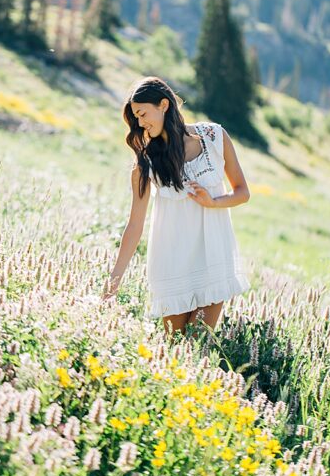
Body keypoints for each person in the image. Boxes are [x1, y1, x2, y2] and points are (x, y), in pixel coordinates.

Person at [102, 76, 251, 338]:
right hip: (172, 264)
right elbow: (135, 225)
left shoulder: (215, 136)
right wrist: (113, 283)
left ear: (164, 105)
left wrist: (213, 202)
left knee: (196, 344)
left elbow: (242, 192)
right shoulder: (146, 162)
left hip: (213, 257)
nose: (140, 123)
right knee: (174, 349)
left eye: (142, 113)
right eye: (136, 117)